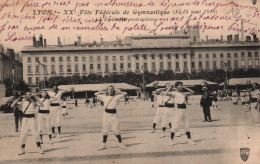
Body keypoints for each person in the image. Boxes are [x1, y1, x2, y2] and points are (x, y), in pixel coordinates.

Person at [163, 81, 196, 146]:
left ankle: (189, 139)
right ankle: (171, 140)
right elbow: (165, 93)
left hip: (185, 110)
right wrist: (170, 88)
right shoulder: (174, 93)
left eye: (181, 85)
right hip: (178, 110)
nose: (181, 86)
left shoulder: (184, 93)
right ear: (177, 86)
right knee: (175, 125)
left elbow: (193, 92)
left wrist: (186, 88)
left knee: (186, 125)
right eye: (180, 85)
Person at [95, 86, 127, 150]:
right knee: (105, 129)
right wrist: (103, 90)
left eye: (112, 89)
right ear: (107, 90)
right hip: (106, 115)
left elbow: (125, 93)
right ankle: (103, 144)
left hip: (114, 115)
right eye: (109, 89)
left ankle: (120, 144)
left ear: (113, 90)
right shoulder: (104, 97)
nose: (110, 90)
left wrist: (117, 90)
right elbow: (96, 94)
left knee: (116, 129)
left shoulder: (116, 97)